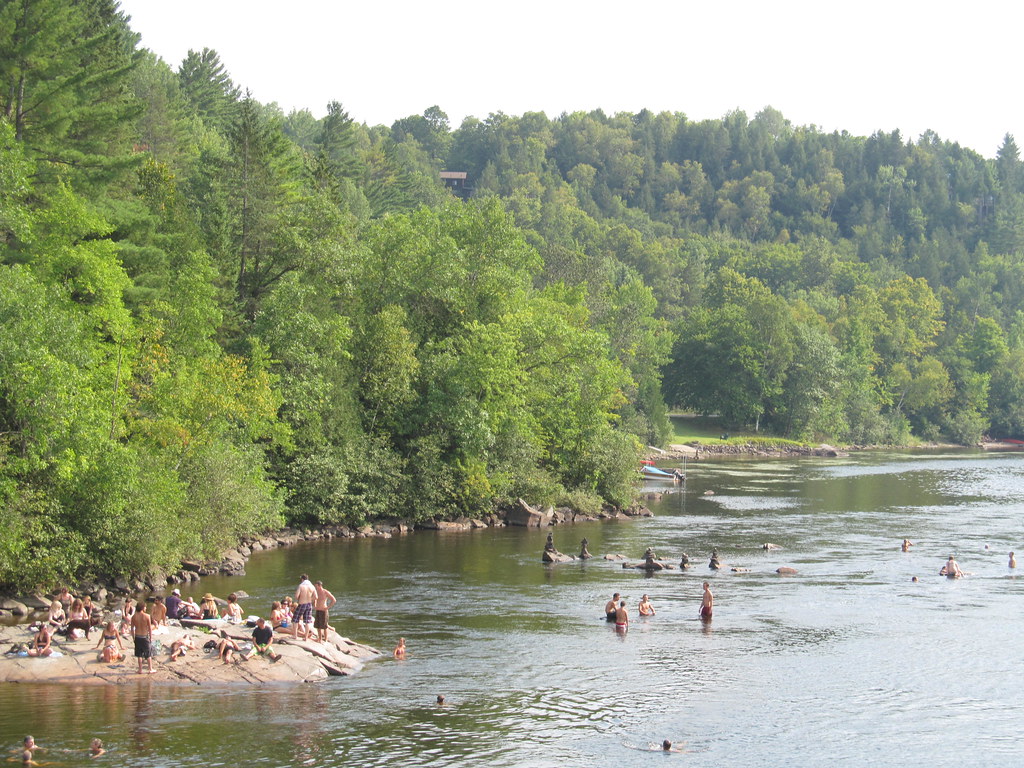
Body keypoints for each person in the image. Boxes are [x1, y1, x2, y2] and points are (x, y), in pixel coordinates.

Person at [131, 599, 154, 674]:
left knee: (139, 654)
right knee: (148, 654)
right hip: (144, 637)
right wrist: (151, 637)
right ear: (142, 607)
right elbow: (150, 628)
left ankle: (140, 670)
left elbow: (132, 629)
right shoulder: (147, 616)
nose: (146, 608)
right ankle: (150, 669)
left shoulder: (133, 617)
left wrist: (133, 637)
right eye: (145, 607)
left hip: (137, 637)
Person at [294, 574, 317, 641]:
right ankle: (306, 637)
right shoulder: (312, 586)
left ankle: (295, 636)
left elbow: (296, 596)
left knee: (295, 619)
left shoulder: (301, 586)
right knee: (307, 621)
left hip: (302, 603)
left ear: (302, 579)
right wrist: (310, 599)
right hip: (309, 604)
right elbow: (316, 597)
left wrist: (300, 598)